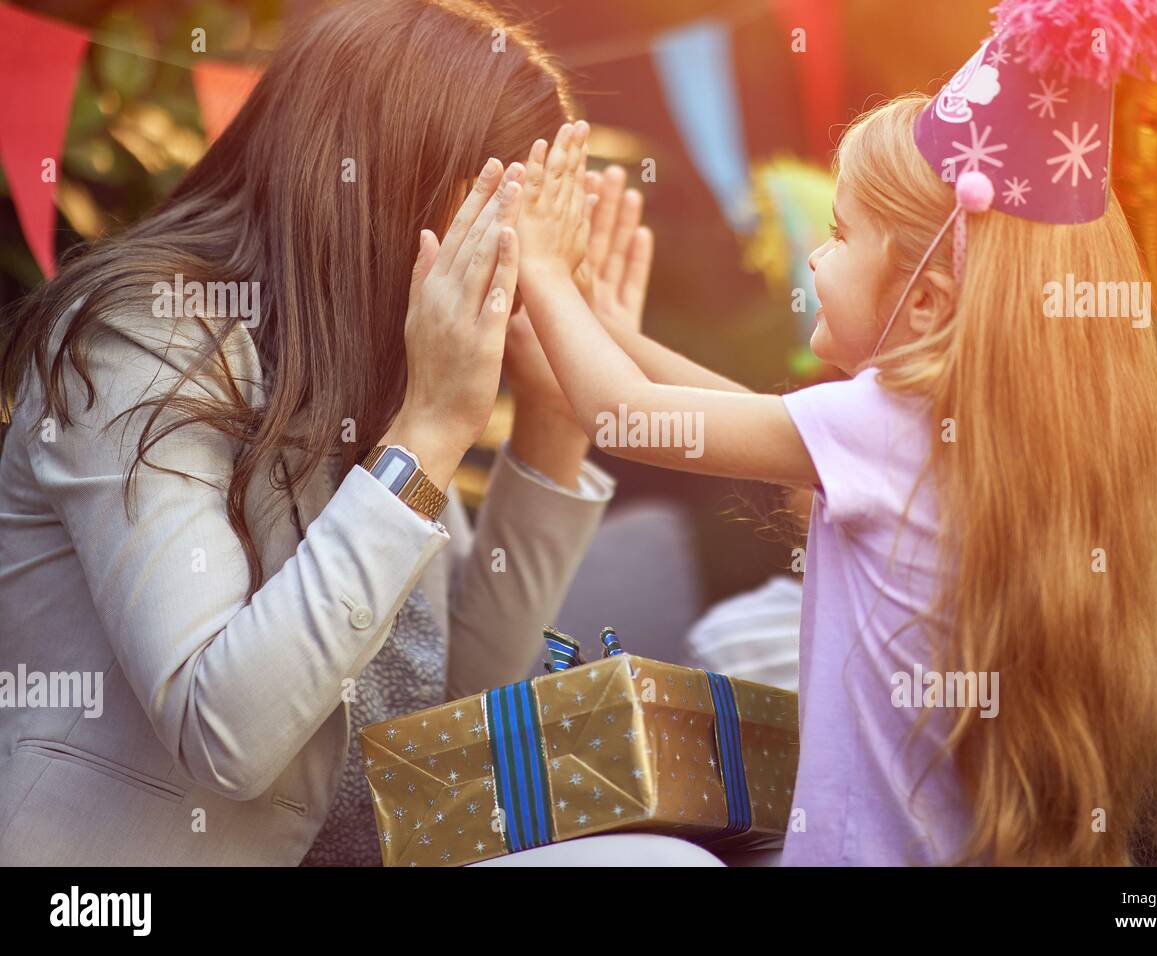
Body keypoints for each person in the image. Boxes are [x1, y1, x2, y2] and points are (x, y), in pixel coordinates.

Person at [0, 0, 708, 867]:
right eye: (500, 220)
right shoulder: (143, 335)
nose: (515, 268)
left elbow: (460, 727)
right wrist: (429, 433)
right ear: (393, 188)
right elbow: (224, 732)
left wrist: (553, 426)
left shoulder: (372, 367)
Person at [509, 0, 1157, 866]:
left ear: (923, 301)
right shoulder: (974, 430)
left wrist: (540, 267)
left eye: (841, 236)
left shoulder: (880, 424)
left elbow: (622, 417)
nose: (815, 255)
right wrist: (615, 328)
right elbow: (756, 424)